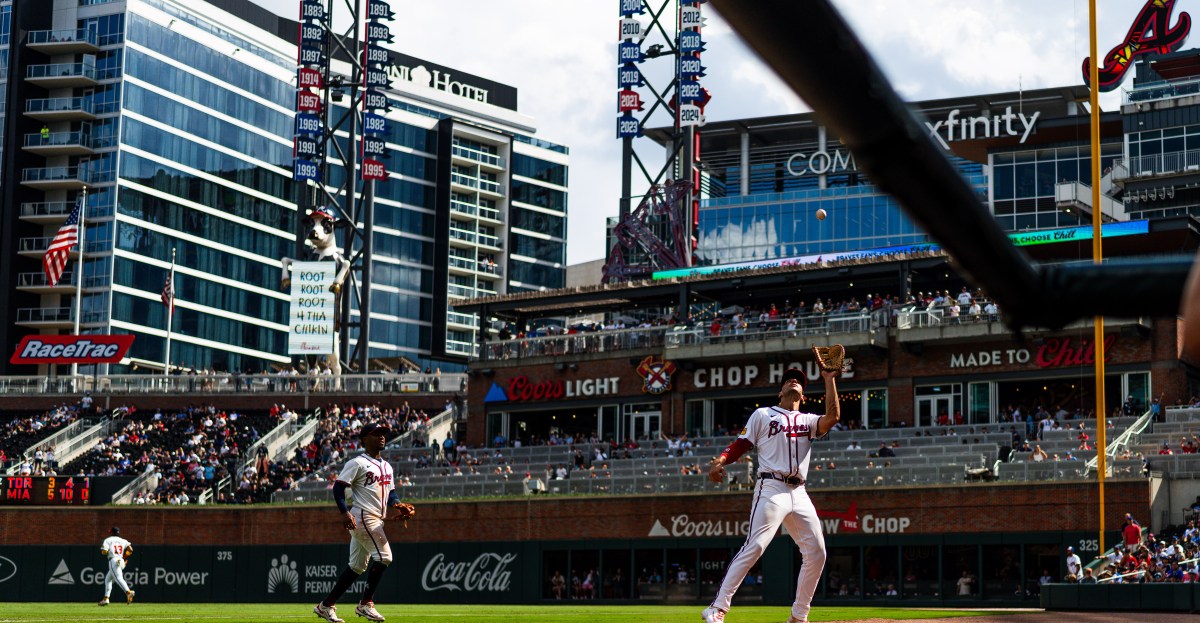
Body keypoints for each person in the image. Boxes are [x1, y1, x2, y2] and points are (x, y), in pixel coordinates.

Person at [702, 364, 841, 623]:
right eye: (788, 380)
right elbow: (741, 444)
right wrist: (721, 460)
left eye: (798, 381)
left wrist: (829, 379)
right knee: (755, 545)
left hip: (799, 491)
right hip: (772, 487)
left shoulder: (808, 420)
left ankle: (799, 616)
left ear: (804, 395)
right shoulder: (763, 414)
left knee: (817, 552)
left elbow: (832, 417)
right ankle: (717, 607)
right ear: (780, 392)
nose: (793, 382)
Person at [314, 422, 416, 623]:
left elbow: (391, 493)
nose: (381, 436)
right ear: (364, 439)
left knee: (357, 566)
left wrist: (398, 504)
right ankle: (366, 604)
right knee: (385, 557)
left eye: (383, 433)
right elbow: (338, 488)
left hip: (376, 518)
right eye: (376, 433)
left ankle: (326, 606)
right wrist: (344, 513)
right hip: (363, 516)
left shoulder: (386, 466)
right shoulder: (357, 462)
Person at [98, 526, 134, 606]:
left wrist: (106, 552)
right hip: (120, 560)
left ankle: (128, 592)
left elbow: (104, 551)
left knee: (118, 578)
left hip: (113, 560)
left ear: (111, 533)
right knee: (108, 579)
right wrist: (124, 557)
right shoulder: (123, 540)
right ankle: (106, 599)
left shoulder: (108, 540)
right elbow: (130, 550)